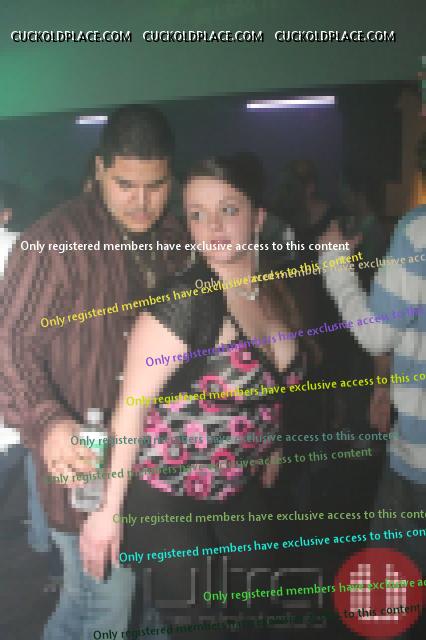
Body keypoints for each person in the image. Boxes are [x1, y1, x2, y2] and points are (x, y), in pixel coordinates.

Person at [79, 153, 320, 638]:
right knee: (200, 626)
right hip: (163, 489)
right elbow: (131, 410)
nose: (213, 226)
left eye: (228, 210)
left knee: (256, 610)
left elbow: (273, 389)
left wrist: (271, 444)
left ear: (258, 217)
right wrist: (106, 513)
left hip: (237, 482)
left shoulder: (274, 290)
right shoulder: (186, 301)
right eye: (197, 214)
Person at [0, 105, 189, 640]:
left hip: (161, 465)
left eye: (155, 186)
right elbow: (10, 344)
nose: (141, 201)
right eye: (126, 184)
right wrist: (47, 420)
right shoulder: (54, 241)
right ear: (100, 169)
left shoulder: (175, 238)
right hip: (85, 467)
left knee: (148, 607)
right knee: (100, 607)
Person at [318, 132, 426, 574]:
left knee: (392, 588)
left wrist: (334, 265)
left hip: (420, 460)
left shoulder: (417, 230)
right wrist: (383, 384)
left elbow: (379, 333)